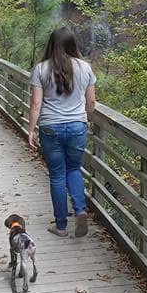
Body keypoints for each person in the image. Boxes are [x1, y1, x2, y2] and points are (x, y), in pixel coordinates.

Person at [28, 27, 96, 237]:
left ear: (51, 44)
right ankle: (80, 210)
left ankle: (61, 226)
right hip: (77, 126)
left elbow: (36, 103)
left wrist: (31, 130)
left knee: (57, 175)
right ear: (73, 44)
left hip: (50, 127)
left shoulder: (40, 69)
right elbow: (91, 101)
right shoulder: (85, 68)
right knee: (74, 169)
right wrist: (87, 119)